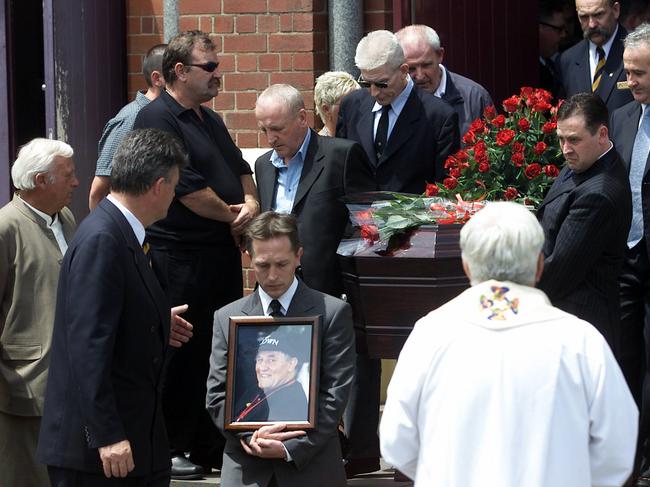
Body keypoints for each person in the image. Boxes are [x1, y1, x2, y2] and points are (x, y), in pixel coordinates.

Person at [380, 201, 638, 487]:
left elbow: (396, 441)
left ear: (466, 266)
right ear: (540, 264)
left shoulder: (430, 334)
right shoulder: (580, 340)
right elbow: (618, 447)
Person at [134, 30, 259, 477]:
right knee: (183, 347)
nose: (217, 75)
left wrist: (252, 205)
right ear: (180, 71)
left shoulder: (208, 119)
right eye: (210, 67)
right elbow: (186, 191)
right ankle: (172, 445)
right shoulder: (156, 118)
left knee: (216, 348)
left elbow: (242, 167)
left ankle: (207, 443)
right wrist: (236, 218)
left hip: (219, 257)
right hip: (180, 259)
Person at [37, 128, 194, 486]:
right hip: (100, 455)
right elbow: (87, 347)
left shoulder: (124, 234)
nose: (175, 195)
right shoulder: (103, 240)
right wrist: (107, 435)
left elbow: (113, 312)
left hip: (136, 441)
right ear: (158, 185)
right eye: (174, 185)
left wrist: (154, 319)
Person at [206, 211, 355, 487]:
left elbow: (335, 394)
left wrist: (292, 447)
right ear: (249, 258)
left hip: (311, 467)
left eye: (282, 264)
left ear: (298, 256)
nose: (272, 275)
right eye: (263, 265)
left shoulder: (332, 313)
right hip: (247, 466)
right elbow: (217, 395)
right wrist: (249, 438)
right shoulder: (226, 318)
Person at [0, 138, 78, 487]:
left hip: (69, 385)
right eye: (68, 175)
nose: (76, 182)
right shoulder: (6, 228)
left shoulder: (66, 218)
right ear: (40, 180)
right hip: (23, 389)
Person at [254, 84, 371, 298]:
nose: (270, 139)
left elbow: (364, 223)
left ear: (301, 117)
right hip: (274, 289)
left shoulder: (341, 155)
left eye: (278, 129)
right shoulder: (263, 166)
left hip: (328, 290)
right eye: (264, 130)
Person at [536, 92, 631, 350]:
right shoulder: (583, 160)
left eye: (574, 140)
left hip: (581, 325)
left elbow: (558, 272)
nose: (566, 149)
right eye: (561, 139)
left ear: (602, 135)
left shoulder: (599, 193)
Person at [336, 29, 460, 194]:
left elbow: (444, 188)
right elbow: (339, 169)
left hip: (414, 217)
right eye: (367, 83)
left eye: (382, 83)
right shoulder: (351, 105)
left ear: (403, 70)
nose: (373, 92)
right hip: (357, 216)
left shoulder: (439, 117)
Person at [610, 22, 650, 485]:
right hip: (624, 259)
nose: (631, 81)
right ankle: (627, 457)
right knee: (622, 359)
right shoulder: (620, 117)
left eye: (640, 73)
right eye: (628, 72)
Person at [89, 43, 167, 209]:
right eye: (175, 73)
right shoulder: (130, 118)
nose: (183, 78)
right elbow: (99, 190)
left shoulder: (172, 116)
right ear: (157, 79)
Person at [395, 24, 493, 136]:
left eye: (426, 65)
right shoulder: (391, 96)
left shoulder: (474, 97)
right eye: (411, 68)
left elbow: (494, 147)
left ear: (440, 55)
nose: (420, 75)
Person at [557, 0, 633, 114]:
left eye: (598, 15)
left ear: (616, 10)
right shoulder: (567, 60)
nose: (592, 24)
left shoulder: (636, 52)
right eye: (584, 17)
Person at [234, 331, 308, 423]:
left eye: (272, 360)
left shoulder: (292, 403)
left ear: (291, 364)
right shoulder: (256, 391)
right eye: (259, 359)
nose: (262, 367)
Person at [314, 71, 360, 137]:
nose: (357, 109)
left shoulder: (365, 140)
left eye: (358, 103)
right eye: (348, 104)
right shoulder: (318, 146)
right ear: (326, 109)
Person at [539, 0, 568, 99]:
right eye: (559, 29)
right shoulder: (528, 68)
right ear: (540, 28)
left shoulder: (561, 61)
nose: (564, 35)